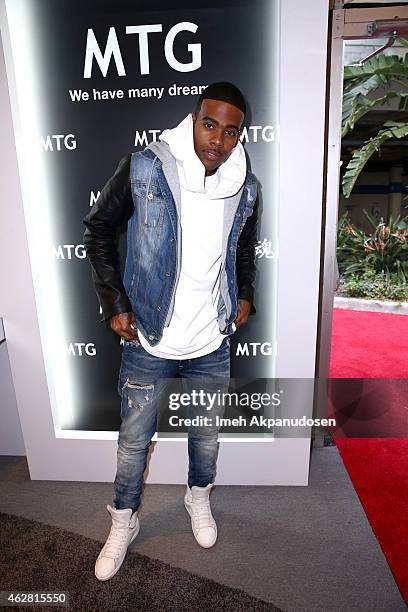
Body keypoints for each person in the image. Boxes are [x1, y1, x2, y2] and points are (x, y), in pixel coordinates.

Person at [83, 82, 259, 581]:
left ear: (238, 136)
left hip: (210, 341)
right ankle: (123, 520)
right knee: (134, 442)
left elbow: (243, 249)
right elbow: (97, 229)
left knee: (205, 437)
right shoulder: (146, 166)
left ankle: (197, 498)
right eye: (210, 124)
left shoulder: (245, 184)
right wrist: (114, 302)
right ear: (193, 120)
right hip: (151, 338)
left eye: (231, 132)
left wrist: (245, 293)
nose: (218, 140)